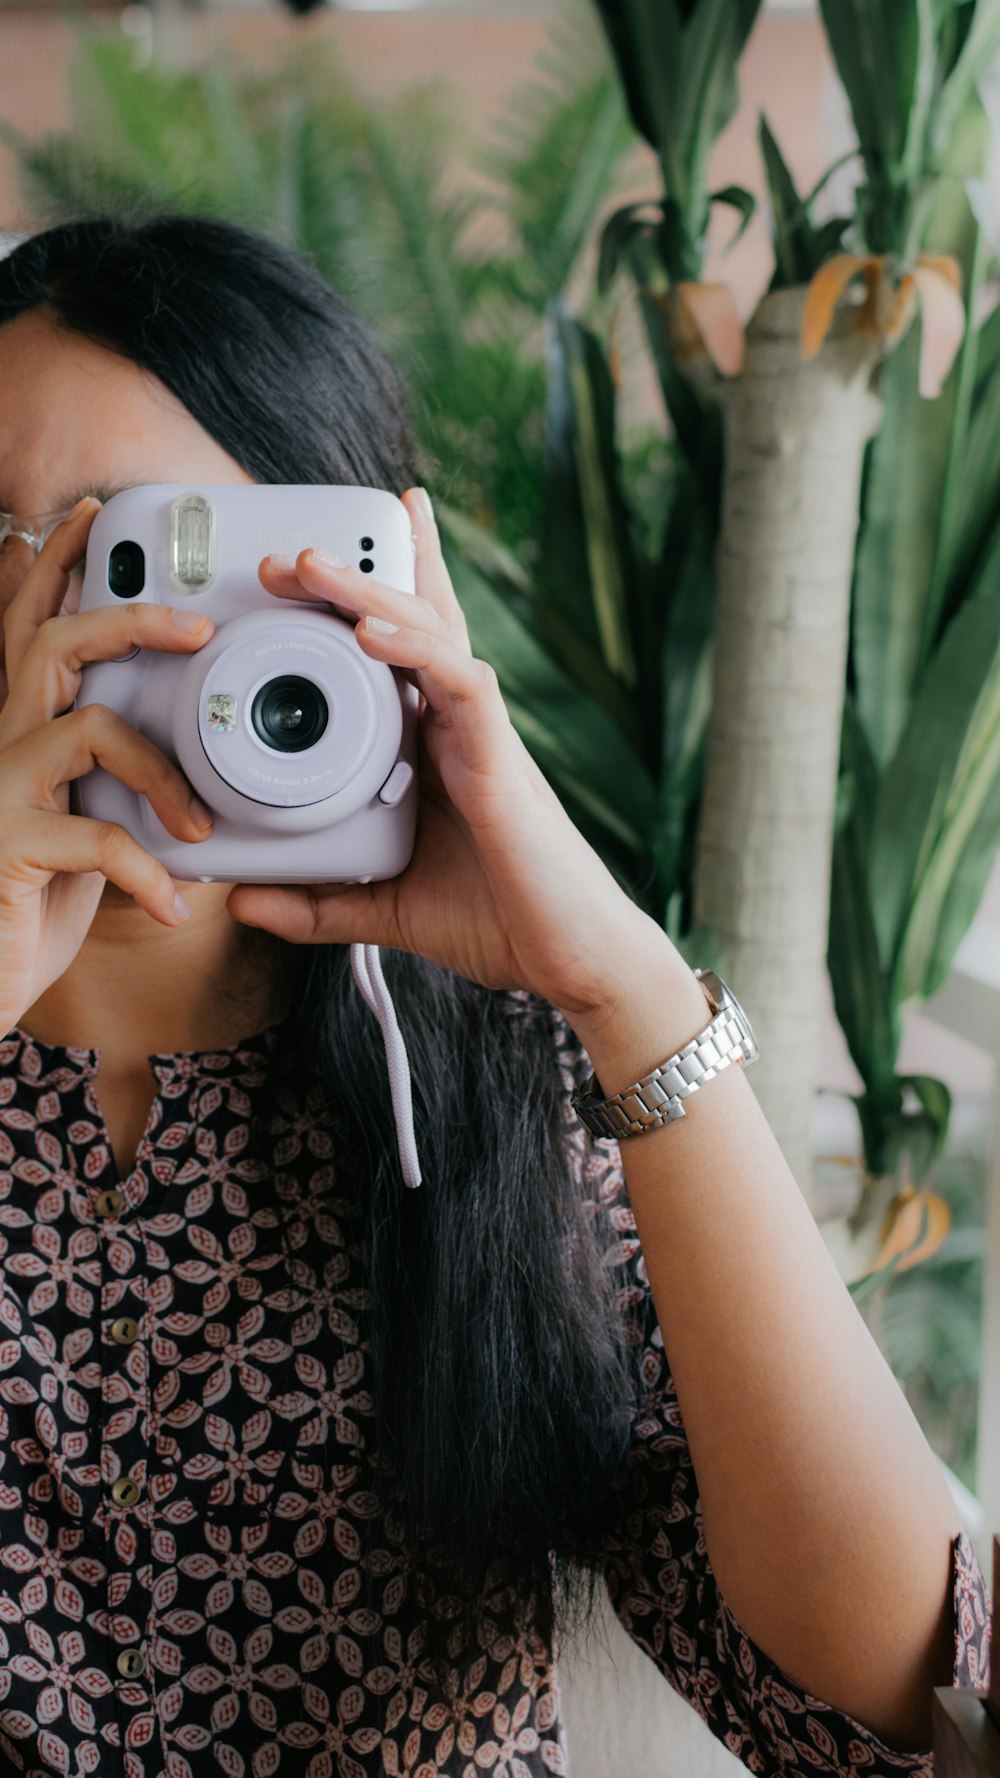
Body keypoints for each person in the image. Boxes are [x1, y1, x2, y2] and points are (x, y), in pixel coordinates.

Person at [0, 212, 989, 1778]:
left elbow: (886, 1696)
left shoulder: (493, 1091)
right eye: (10, 551)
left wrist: (627, 985)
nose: (59, 634)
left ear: (352, 595)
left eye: (151, 548)